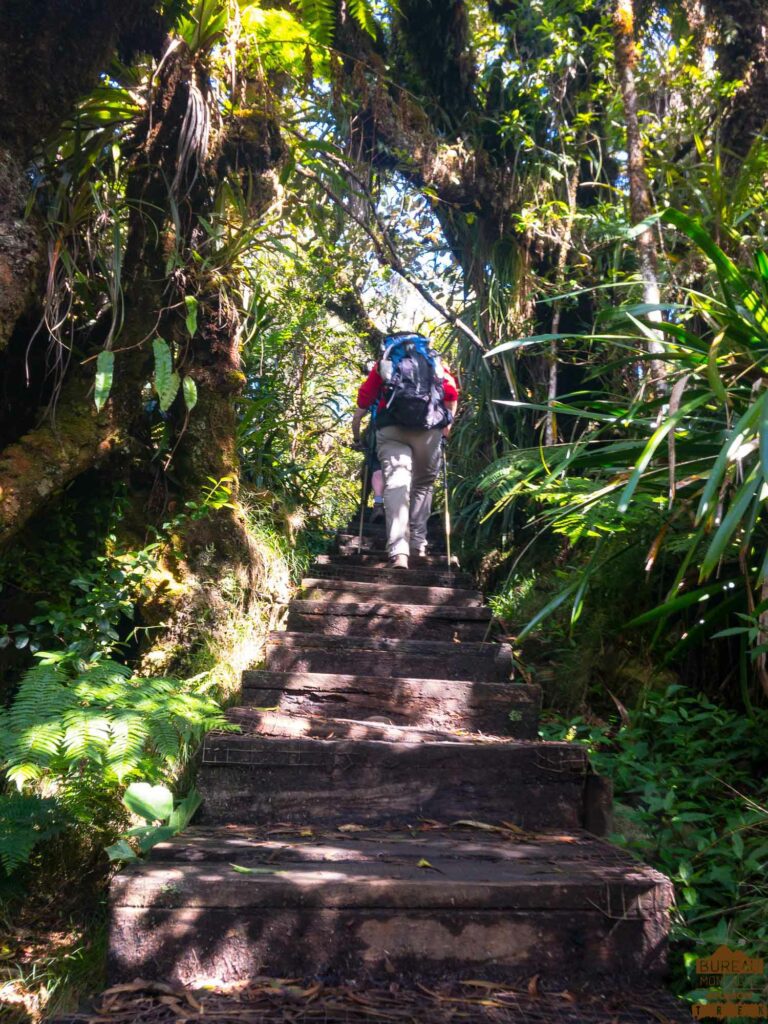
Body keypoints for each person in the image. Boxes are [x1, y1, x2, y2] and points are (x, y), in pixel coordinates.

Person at [354, 332, 459, 569]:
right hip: (429, 428)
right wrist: (447, 426)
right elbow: (451, 394)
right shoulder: (434, 361)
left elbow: (364, 400)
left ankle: (399, 551)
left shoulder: (386, 362)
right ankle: (418, 544)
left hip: (391, 429)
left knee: (397, 483)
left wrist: (356, 434)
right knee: (422, 484)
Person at [350, 405, 385, 522]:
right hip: (405, 438)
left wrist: (357, 440)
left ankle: (371, 505)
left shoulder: (375, 393)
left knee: (373, 470)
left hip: (377, 439)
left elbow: (356, 418)